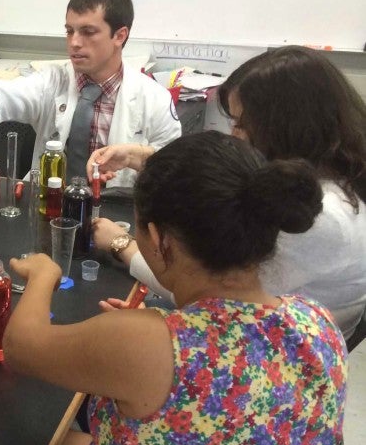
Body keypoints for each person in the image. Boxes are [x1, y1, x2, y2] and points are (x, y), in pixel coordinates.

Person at [4, 131, 346, 445]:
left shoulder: (148, 344)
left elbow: (21, 346)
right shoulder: (318, 321)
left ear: (159, 239)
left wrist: (43, 275)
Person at [91, 45, 366, 340]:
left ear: (285, 129)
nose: (233, 135)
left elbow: (212, 291)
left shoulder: (317, 215)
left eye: (241, 124)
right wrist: (143, 158)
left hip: (271, 346)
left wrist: (121, 245)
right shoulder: (329, 176)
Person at [0, 0, 180, 186]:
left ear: (119, 36)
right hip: (49, 204)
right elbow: (14, 92)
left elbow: (177, 168)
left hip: (117, 212)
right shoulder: (52, 79)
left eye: (88, 32)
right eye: (69, 31)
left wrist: (131, 156)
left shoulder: (154, 98)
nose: (74, 43)